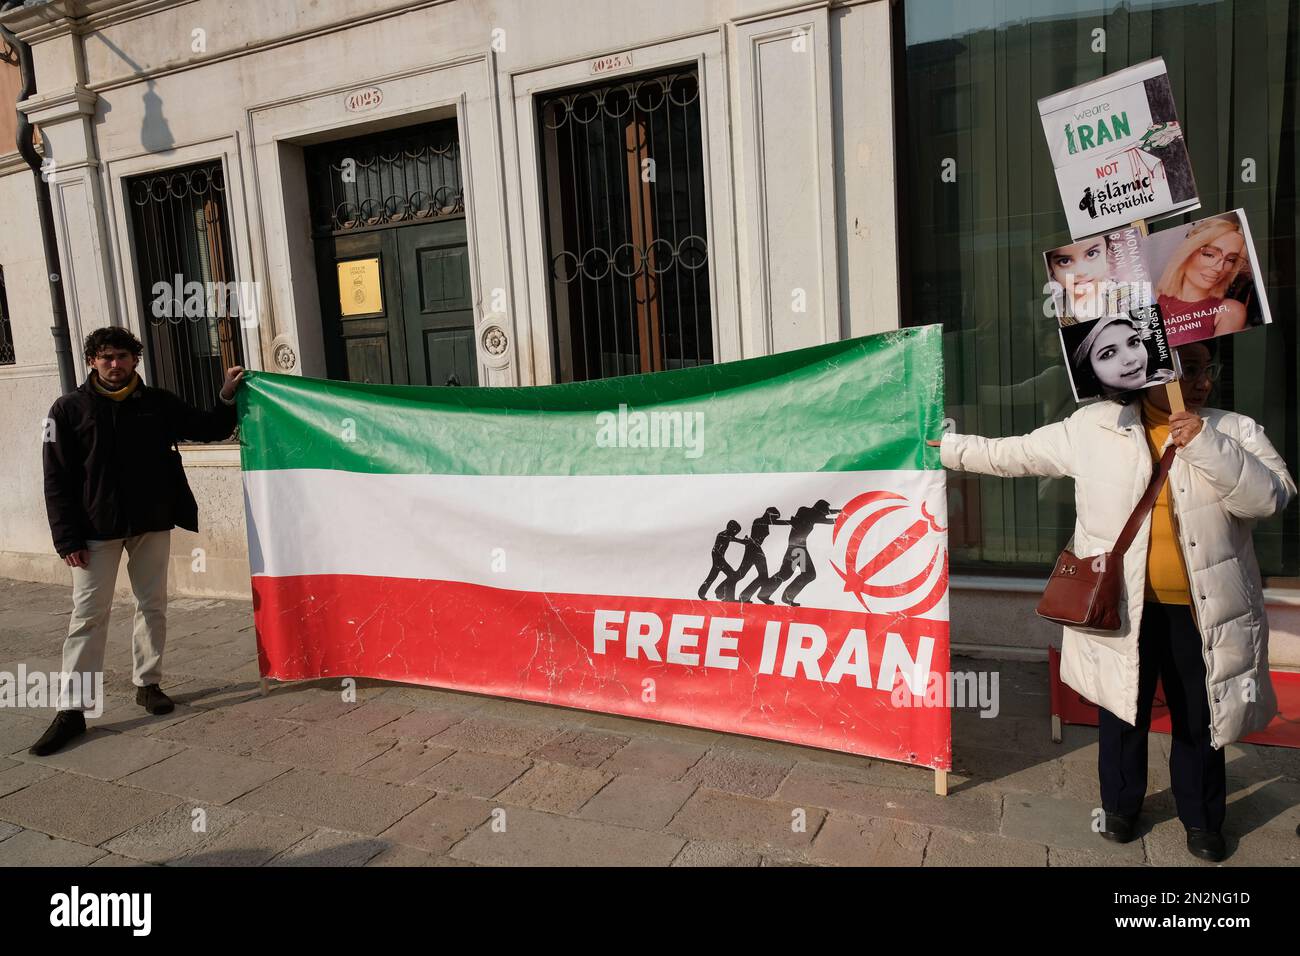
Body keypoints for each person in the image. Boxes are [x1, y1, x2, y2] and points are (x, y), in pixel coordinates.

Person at [929, 342, 1294, 862]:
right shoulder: (1094, 427)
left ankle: (1203, 819)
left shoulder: (1233, 430)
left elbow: (1270, 498)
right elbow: (1012, 454)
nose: (1204, 381)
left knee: (1202, 716)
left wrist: (1207, 443)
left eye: (1208, 370)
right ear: (1152, 371)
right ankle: (1120, 807)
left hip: (1204, 611)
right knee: (1123, 710)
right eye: (1190, 368)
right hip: (1120, 608)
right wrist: (945, 447)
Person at [31, 326, 245, 756]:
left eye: (123, 357)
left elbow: (207, 428)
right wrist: (66, 537)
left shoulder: (157, 402)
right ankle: (73, 709)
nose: (115, 364)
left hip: (151, 522)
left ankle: (148, 684)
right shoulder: (66, 410)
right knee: (89, 615)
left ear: (135, 361)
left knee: (153, 604)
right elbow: (55, 479)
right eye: (107, 357)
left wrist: (226, 396)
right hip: (94, 531)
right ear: (92, 360)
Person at [1155, 218, 1250, 345]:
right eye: (1210, 254)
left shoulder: (1229, 310)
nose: (1219, 268)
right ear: (1188, 252)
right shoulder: (1153, 298)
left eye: (1231, 260)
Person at [1068, 315, 1175, 398]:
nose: (1131, 359)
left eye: (1134, 342)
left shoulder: (1167, 379)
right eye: (1108, 354)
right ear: (1089, 369)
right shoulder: (1090, 414)